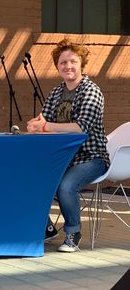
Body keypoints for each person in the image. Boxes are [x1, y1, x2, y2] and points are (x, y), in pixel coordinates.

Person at [27, 38, 109, 253]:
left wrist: (45, 127)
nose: (68, 66)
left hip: (91, 157)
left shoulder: (91, 91)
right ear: (58, 67)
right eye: (63, 63)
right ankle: (47, 228)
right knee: (30, 179)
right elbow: (44, 118)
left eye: (73, 61)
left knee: (66, 186)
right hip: (62, 157)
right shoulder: (56, 92)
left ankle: (73, 232)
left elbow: (81, 127)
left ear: (81, 63)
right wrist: (36, 125)